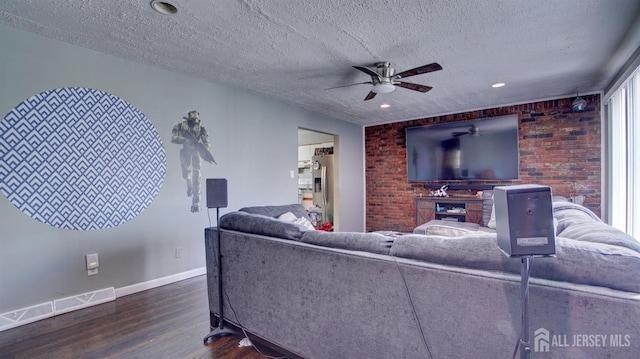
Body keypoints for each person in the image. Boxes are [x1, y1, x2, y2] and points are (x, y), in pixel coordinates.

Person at [171, 110, 210, 212]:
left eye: (196, 116)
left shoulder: (201, 128)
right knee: (186, 173)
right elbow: (173, 138)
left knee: (197, 175)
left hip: (196, 152)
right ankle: (189, 186)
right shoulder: (180, 126)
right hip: (186, 150)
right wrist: (184, 140)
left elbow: (206, 143)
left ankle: (196, 201)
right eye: (193, 115)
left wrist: (203, 149)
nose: (195, 117)